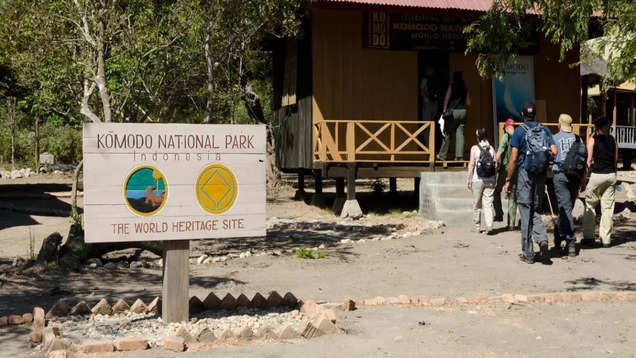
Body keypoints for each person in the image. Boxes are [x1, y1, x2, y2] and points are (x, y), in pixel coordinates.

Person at [504, 102, 557, 264]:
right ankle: (542, 239)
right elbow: (554, 151)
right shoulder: (544, 129)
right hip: (540, 175)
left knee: (525, 210)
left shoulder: (519, 131)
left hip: (525, 174)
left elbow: (513, 158)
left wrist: (508, 179)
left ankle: (528, 254)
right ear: (535, 114)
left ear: (522, 114)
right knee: (535, 208)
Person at [581, 116, 618, 248]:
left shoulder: (593, 140)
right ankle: (606, 239)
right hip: (611, 175)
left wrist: (584, 179)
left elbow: (588, 161)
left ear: (596, 127)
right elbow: (615, 159)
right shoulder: (613, 140)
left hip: (597, 175)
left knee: (590, 205)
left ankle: (589, 236)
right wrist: (614, 175)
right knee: (608, 208)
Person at [552, 114, 585, 257]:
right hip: (576, 177)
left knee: (565, 208)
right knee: (566, 208)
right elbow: (584, 162)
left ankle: (571, 241)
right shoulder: (578, 139)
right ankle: (558, 237)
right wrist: (583, 181)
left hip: (560, 175)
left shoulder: (554, 138)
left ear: (559, 124)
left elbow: (549, 155)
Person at [467, 128, 496, 234]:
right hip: (490, 179)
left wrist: (469, 178)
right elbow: (495, 164)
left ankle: (477, 226)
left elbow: (471, 164)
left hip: (477, 179)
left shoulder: (474, 148)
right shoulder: (492, 148)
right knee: (488, 203)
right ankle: (489, 225)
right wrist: (495, 178)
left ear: (478, 137)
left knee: (477, 203)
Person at [438, 71, 470, 161]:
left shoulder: (452, 86)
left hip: (453, 112)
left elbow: (446, 99)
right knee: (460, 134)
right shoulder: (465, 88)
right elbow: (468, 103)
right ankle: (459, 157)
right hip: (463, 112)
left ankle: (442, 156)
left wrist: (444, 111)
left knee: (447, 132)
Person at [494, 118, 517, 229]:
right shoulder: (518, 136)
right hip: (516, 169)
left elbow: (500, 150)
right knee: (512, 196)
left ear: (506, 128)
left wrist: (494, 162)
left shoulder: (506, 136)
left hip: (505, 169)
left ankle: (499, 214)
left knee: (496, 191)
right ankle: (511, 224)